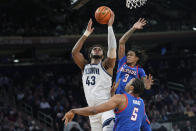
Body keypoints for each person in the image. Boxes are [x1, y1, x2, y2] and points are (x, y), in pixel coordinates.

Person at [71, 10, 116, 131]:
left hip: (106, 108)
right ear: (90, 54)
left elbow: (112, 50)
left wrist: (110, 27)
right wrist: (86, 33)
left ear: (103, 55)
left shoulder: (107, 66)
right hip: (92, 112)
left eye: (100, 49)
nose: (97, 49)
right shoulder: (84, 66)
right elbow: (74, 52)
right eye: (94, 49)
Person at [62, 78, 147, 131]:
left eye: (129, 82)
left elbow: (94, 110)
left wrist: (74, 110)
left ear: (131, 88)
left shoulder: (121, 98)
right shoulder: (142, 103)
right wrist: (112, 94)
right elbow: (125, 111)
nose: (127, 83)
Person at [114, 18, 153, 131]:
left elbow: (145, 87)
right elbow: (121, 41)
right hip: (119, 98)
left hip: (131, 99)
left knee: (146, 125)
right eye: (128, 54)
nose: (128, 56)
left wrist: (148, 85)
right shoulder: (122, 62)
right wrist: (133, 28)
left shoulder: (139, 70)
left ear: (137, 58)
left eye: (131, 55)